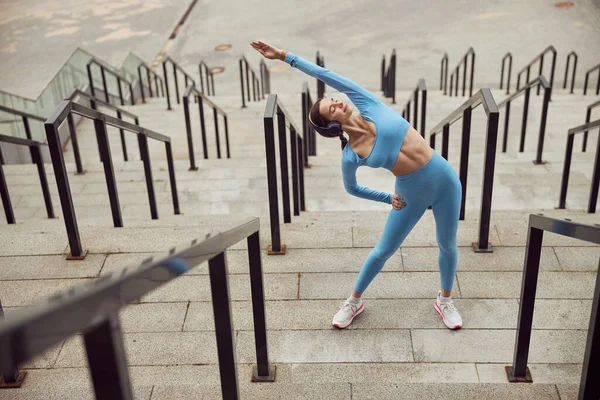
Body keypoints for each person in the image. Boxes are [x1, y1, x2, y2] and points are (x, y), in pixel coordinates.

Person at [251, 41, 463, 330]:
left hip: (446, 180)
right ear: (331, 127)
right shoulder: (352, 154)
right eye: (331, 108)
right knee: (383, 251)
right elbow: (352, 189)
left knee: (447, 245)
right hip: (410, 193)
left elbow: (325, 74)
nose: (337, 102)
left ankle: (445, 300)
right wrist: (387, 198)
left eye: (333, 100)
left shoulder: (367, 103)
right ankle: (353, 302)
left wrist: (285, 57)